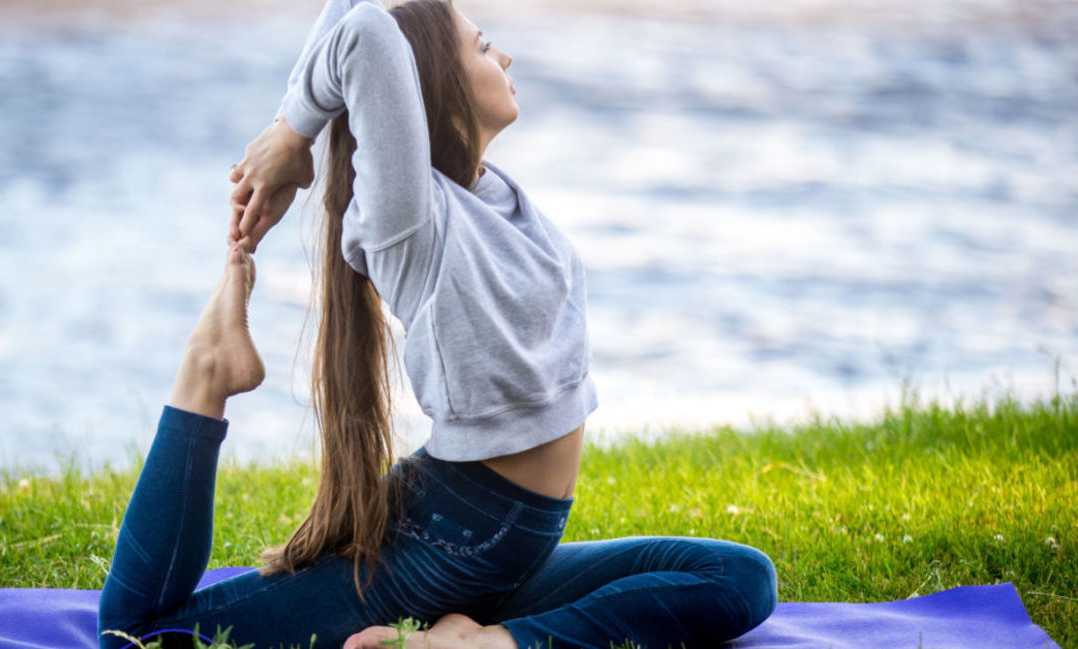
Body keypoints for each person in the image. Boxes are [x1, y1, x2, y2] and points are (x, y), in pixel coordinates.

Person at [96, 1, 778, 647]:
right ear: (434, 89)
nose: (504, 56)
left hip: (505, 551)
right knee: (140, 636)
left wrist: (289, 127)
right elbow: (367, 31)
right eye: (483, 46)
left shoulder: (485, 192)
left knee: (740, 577)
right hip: (449, 546)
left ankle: (484, 637)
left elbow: (360, 12)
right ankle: (207, 367)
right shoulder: (407, 219)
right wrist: (292, 133)